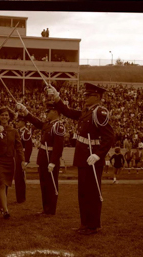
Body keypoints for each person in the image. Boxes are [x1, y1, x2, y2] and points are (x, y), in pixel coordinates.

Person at [46, 82, 114, 235]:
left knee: (93, 192)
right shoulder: (87, 111)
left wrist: (98, 155)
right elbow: (69, 112)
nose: (85, 98)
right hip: (83, 156)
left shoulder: (99, 112)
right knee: (83, 192)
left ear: (97, 97)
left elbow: (110, 137)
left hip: (92, 157)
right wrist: (57, 98)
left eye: (88, 95)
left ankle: (93, 225)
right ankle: (85, 223)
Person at [16, 102, 65, 216]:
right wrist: (26, 111)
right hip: (43, 157)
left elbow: (58, 146)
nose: (46, 114)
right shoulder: (48, 124)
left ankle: (51, 209)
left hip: (50, 158)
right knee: (44, 184)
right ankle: (46, 208)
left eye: (49, 112)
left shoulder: (58, 126)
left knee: (51, 185)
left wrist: (53, 162)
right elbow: (36, 122)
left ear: (55, 112)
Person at [0, 107, 25, 219]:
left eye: (6, 115)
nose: (4, 117)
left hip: (10, 161)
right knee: (1, 183)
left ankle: (1, 206)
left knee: (6, 185)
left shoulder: (14, 131)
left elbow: (19, 147)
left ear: (10, 117)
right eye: (2, 115)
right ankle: (6, 210)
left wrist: (23, 160)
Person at [14, 115, 33, 204]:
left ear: (23, 122)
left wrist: (26, 160)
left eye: (18, 121)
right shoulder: (17, 131)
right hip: (16, 155)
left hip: (22, 156)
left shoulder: (26, 132)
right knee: (17, 177)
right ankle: (19, 197)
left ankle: (21, 198)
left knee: (20, 177)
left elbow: (29, 148)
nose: (17, 123)